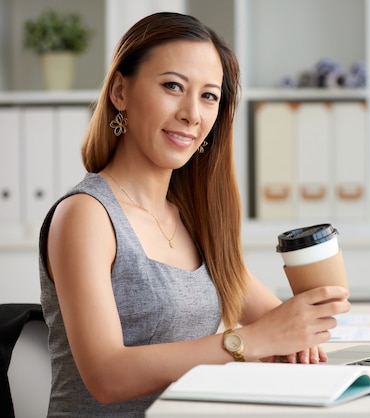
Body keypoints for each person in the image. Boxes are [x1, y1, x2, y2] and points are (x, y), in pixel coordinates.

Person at [38, 12, 350, 417]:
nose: (192, 114)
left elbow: (280, 326)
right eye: (172, 86)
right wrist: (250, 343)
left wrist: (303, 322)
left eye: (209, 96)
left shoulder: (193, 219)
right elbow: (107, 376)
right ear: (120, 91)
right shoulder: (86, 215)